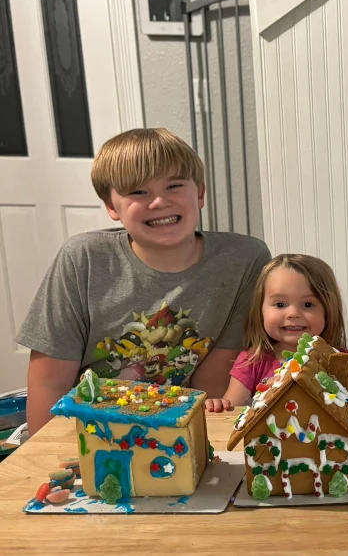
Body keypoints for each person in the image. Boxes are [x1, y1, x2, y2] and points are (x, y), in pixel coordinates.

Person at [18, 128, 270, 434]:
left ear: (200, 193)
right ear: (111, 206)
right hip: (88, 432)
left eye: (174, 185)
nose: (159, 202)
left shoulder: (245, 259)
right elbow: (50, 383)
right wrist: (49, 456)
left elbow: (215, 392)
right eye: (138, 192)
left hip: (182, 433)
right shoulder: (82, 258)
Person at [205, 254, 348, 412]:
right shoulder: (252, 362)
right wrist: (219, 406)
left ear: (328, 310)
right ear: (260, 310)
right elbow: (232, 412)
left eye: (308, 304)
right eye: (280, 304)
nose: (293, 313)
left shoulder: (342, 362)